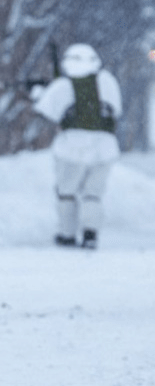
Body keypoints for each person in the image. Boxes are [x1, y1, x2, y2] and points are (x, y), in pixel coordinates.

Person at [31, 43, 122, 249]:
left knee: (67, 192)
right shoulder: (108, 81)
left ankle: (67, 234)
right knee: (93, 194)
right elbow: (116, 111)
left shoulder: (63, 86)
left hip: (71, 147)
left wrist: (38, 92)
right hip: (104, 147)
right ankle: (90, 233)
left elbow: (46, 111)